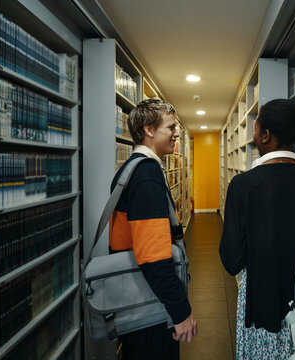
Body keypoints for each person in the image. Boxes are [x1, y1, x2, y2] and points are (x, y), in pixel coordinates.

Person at [219, 99, 295, 360]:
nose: (252, 136)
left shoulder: (242, 185)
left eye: (255, 130)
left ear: (266, 137)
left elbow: (231, 260)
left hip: (261, 303)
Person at [108, 98, 197, 359]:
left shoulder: (135, 168)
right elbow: (153, 255)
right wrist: (181, 311)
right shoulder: (146, 174)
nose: (176, 133)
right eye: (170, 128)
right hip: (149, 303)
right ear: (149, 130)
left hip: (139, 295)